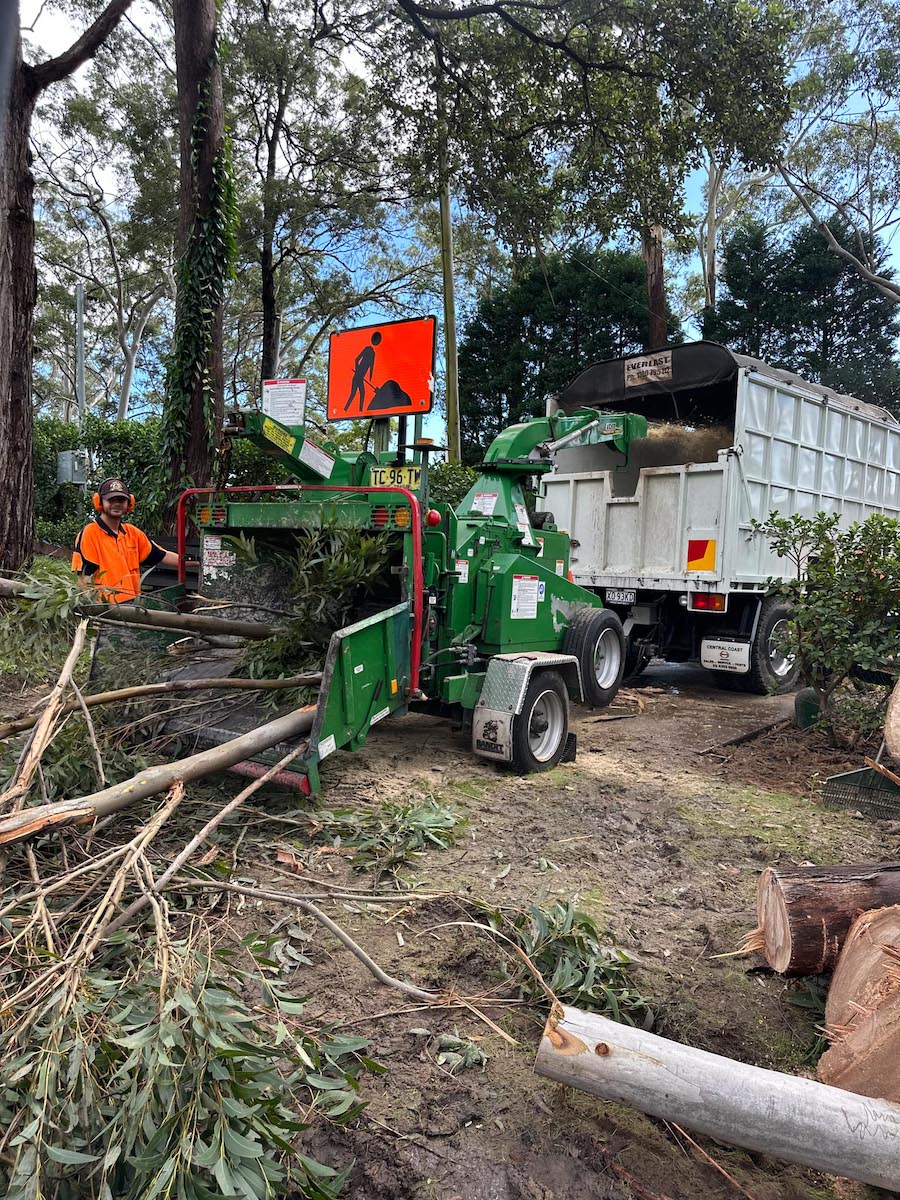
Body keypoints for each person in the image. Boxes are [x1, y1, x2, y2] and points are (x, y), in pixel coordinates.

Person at [71, 477, 179, 603]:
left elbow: (162, 555)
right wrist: (93, 610)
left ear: (130, 503)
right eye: (111, 500)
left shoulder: (133, 533)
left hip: (133, 606)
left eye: (121, 500)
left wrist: (200, 562)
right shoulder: (90, 533)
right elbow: (83, 578)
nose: (117, 504)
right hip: (106, 609)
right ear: (99, 502)